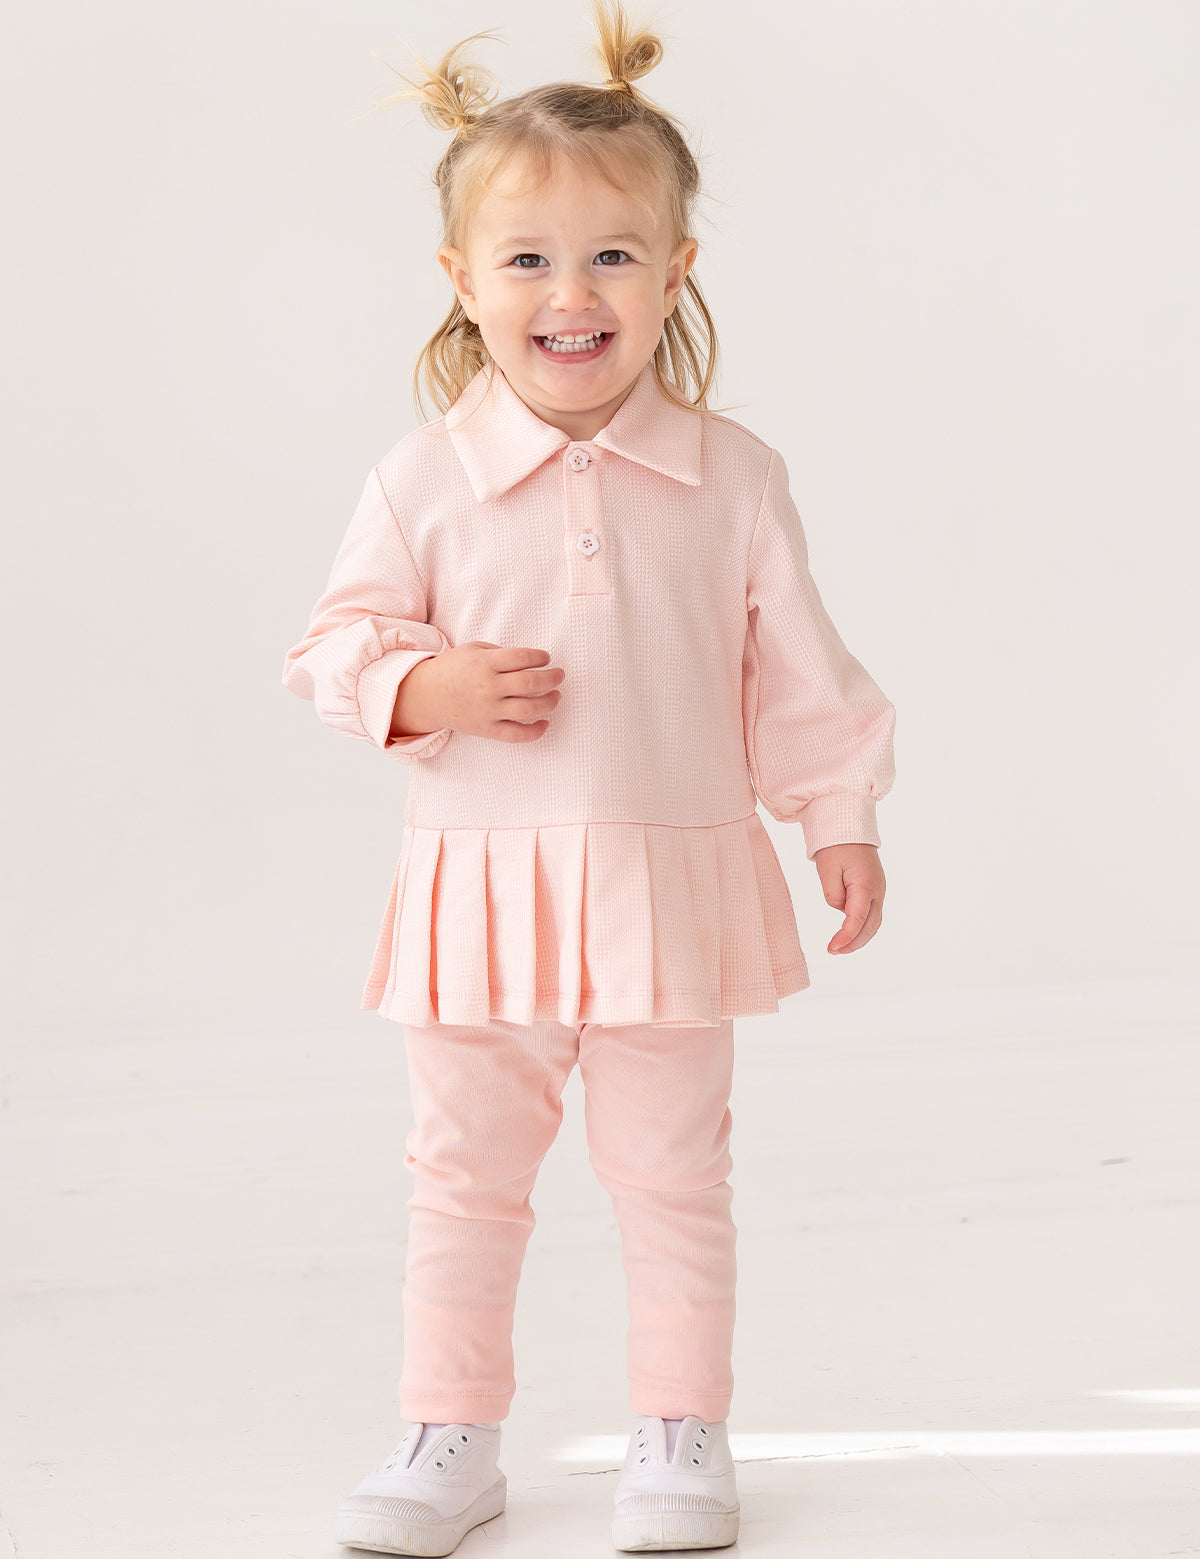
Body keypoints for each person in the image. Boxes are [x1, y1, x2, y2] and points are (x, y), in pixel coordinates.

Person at [281, 2, 897, 1552]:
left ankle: (680, 1427)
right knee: (464, 1180)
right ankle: (449, 1434)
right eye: (532, 258)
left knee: (673, 1174)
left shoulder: (733, 475)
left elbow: (796, 667)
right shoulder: (421, 476)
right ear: (463, 282)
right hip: (478, 898)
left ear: (678, 270)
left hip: (666, 894)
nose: (574, 292)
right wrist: (426, 682)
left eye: (615, 255)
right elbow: (333, 646)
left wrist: (837, 816)